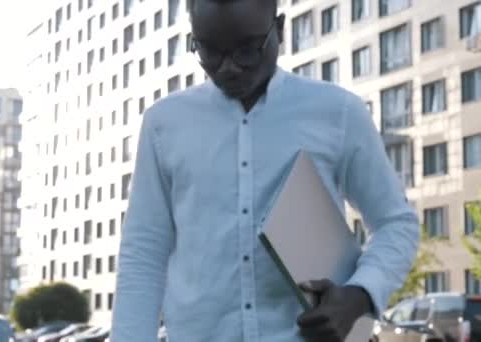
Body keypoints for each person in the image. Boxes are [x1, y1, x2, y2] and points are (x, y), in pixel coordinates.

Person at [110, 0, 419, 341]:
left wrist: (360, 295)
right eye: (210, 52)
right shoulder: (163, 125)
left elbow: (396, 223)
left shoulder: (339, 113)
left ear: (280, 29)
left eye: (246, 51)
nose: (228, 68)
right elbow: (143, 253)